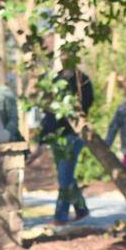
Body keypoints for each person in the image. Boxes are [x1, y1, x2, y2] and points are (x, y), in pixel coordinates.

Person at [38, 67, 94, 224]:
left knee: (65, 178)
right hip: (57, 137)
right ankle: (81, 209)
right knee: (67, 176)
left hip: (71, 135)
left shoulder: (81, 80)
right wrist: (44, 137)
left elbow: (87, 102)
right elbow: (48, 112)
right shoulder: (55, 80)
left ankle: (60, 216)